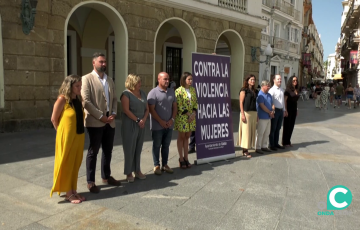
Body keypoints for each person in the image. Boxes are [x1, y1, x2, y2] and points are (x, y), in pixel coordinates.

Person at [81, 53, 121, 194]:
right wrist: (100, 116)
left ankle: (106, 176)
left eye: (105, 62)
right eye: (101, 62)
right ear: (94, 63)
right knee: (93, 151)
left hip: (110, 121)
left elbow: (115, 98)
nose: (104, 64)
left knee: (108, 150)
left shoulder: (109, 80)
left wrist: (114, 113)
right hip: (95, 122)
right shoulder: (86, 79)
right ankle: (90, 181)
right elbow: (85, 101)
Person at [50, 75, 85, 204]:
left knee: (76, 163)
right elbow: (54, 119)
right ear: (69, 86)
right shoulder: (62, 99)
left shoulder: (77, 99)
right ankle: (68, 193)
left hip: (79, 135)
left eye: (80, 86)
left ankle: (73, 189)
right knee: (67, 163)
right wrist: (61, 133)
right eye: (77, 86)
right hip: (67, 137)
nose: (79, 88)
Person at [120, 74, 149, 182]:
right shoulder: (126, 94)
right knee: (129, 149)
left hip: (141, 123)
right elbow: (126, 110)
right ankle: (128, 172)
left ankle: (137, 170)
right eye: (138, 82)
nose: (140, 84)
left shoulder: (143, 93)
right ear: (132, 83)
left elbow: (147, 108)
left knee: (138, 148)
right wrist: (137, 120)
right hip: (130, 123)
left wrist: (144, 119)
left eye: (140, 82)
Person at [148, 72, 178, 175]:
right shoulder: (153, 92)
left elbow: (174, 107)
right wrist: (161, 121)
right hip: (157, 126)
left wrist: (172, 119)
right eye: (165, 79)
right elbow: (151, 110)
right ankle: (157, 165)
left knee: (166, 145)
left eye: (168, 79)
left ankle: (165, 164)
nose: (167, 81)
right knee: (156, 145)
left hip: (169, 125)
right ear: (158, 79)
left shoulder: (171, 92)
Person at [174, 72, 198, 168]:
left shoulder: (193, 90)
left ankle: (186, 157)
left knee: (188, 136)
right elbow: (179, 105)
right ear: (184, 80)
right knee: (181, 137)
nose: (191, 81)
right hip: (182, 117)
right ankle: (181, 158)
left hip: (191, 117)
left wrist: (193, 114)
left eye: (191, 79)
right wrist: (188, 114)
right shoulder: (178, 91)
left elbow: (195, 102)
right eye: (189, 79)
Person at [237, 75, 258, 158]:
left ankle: (248, 147)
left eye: (254, 80)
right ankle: (244, 150)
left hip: (253, 113)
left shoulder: (255, 91)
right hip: (246, 113)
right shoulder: (243, 90)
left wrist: (257, 115)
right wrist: (242, 114)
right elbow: (241, 102)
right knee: (246, 132)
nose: (253, 81)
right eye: (251, 79)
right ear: (248, 80)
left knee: (251, 132)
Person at [255, 80, 274, 154]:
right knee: (260, 133)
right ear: (263, 86)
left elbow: (272, 104)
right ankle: (258, 147)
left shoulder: (269, 95)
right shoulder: (260, 95)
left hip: (269, 117)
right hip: (262, 117)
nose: (269, 87)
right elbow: (262, 106)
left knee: (267, 132)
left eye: (269, 85)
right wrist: (269, 112)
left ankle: (264, 146)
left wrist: (272, 110)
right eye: (267, 85)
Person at [268, 74, 287, 151]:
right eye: (278, 79)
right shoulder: (271, 90)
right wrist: (271, 111)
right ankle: (271, 144)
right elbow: (270, 102)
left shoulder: (282, 90)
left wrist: (284, 110)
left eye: (280, 79)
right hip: (275, 111)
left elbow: (283, 102)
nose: (280, 80)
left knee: (278, 128)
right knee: (273, 128)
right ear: (274, 80)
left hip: (280, 111)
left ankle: (276, 143)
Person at [282, 76, 300, 147]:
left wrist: (297, 109)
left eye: (296, 80)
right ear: (290, 81)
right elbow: (285, 100)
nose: (295, 82)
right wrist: (285, 110)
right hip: (288, 109)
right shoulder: (288, 90)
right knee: (287, 125)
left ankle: (288, 141)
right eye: (293, 80)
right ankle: (285, 142)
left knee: (291, 125)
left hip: (294, 109)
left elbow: (296, 101)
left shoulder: (296, 90)